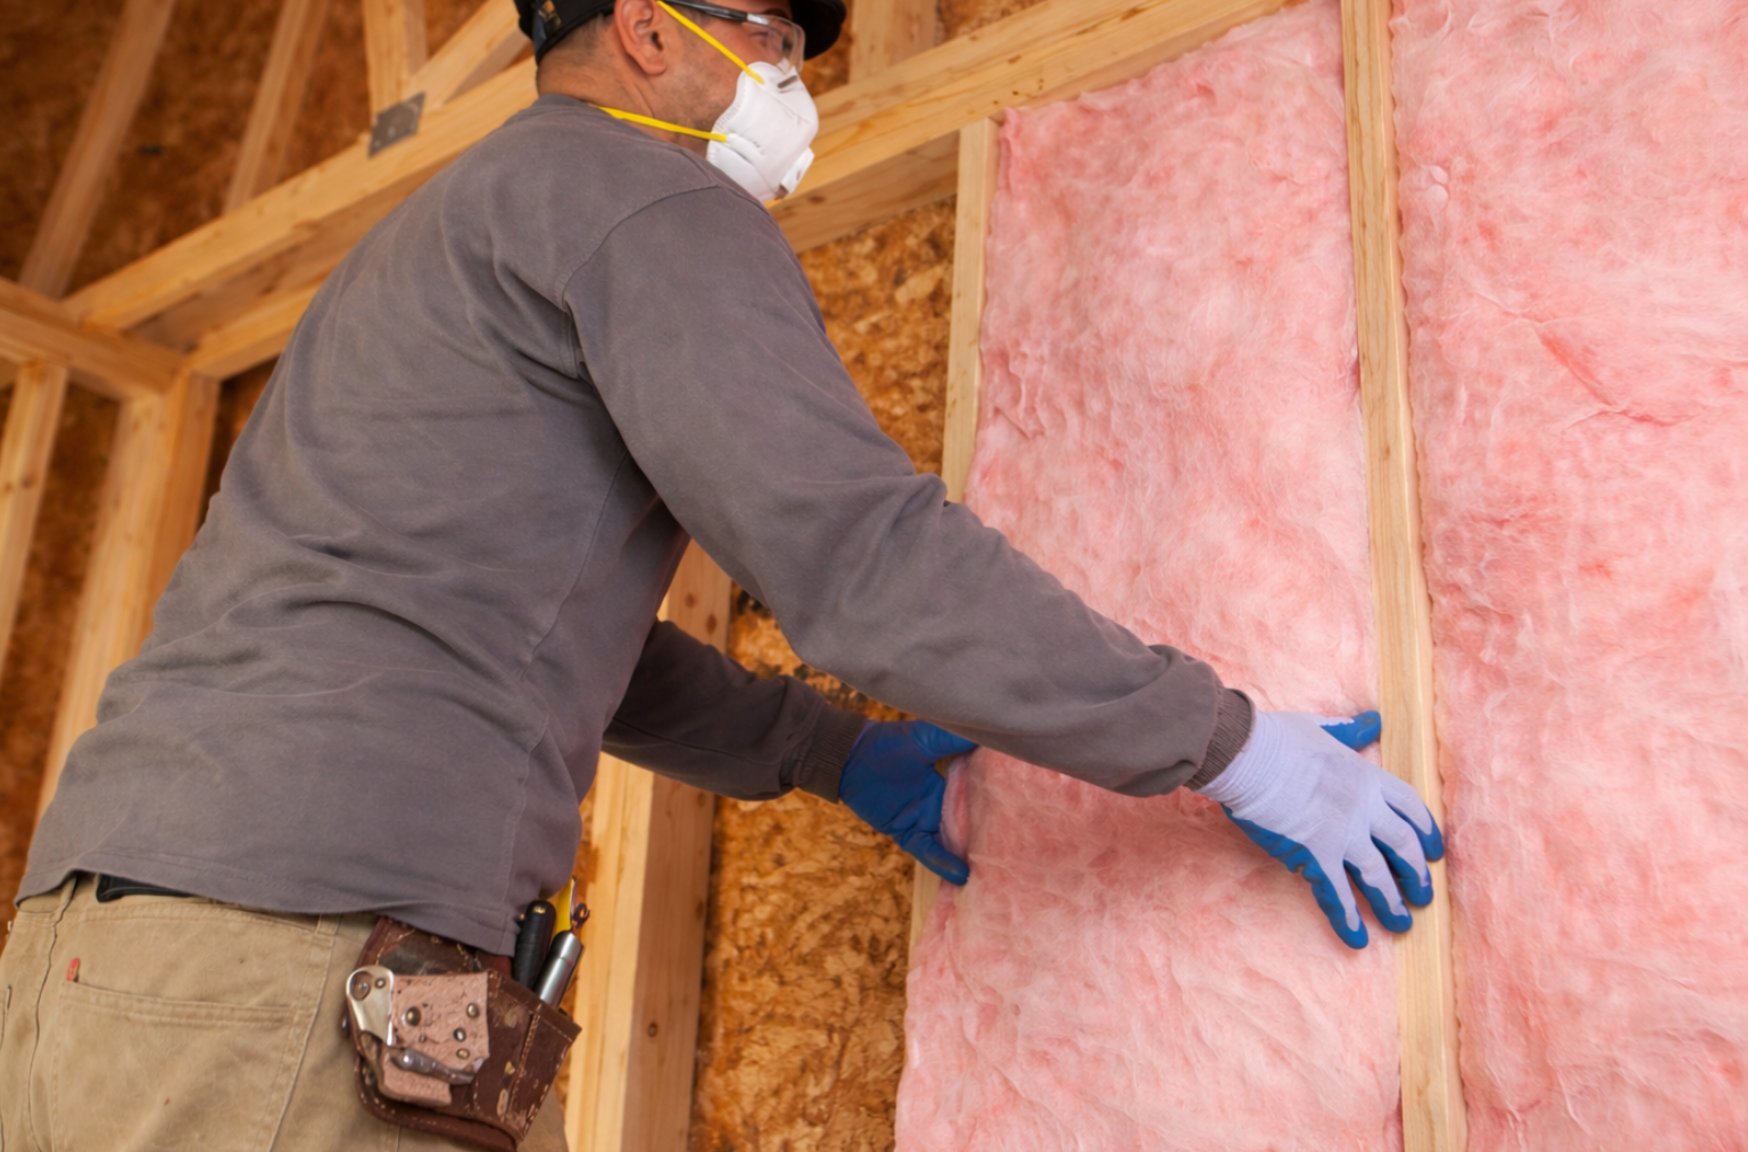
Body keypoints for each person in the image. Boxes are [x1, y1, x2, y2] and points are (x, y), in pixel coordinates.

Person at [0, 1, 1444, 1148]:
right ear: (645, 28)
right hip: (306, 973)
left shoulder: (448, 240)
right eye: (769, 38)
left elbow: (524, 623)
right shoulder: (639, 195)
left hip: (98, 974)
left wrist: (825, 753)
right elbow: (860, 555)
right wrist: (1242, 753)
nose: (791, 83)